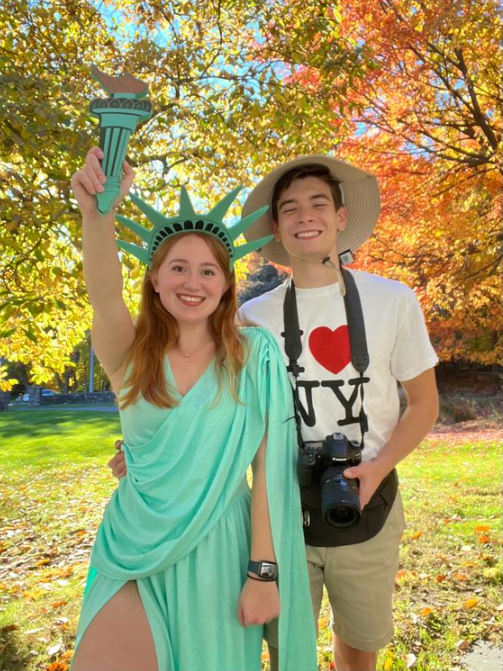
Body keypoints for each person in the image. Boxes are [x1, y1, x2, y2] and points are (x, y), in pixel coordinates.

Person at [69, 147, 318, 671]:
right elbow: (103, 295)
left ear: (226, 285)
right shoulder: (128, 355)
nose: (192, 282)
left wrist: (263, 573)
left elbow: (268, 474)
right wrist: (98, 215)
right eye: (178, 268)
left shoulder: (255, 358)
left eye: (209, 271)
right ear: (155, 280)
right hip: (129, 549)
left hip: (218, 552)